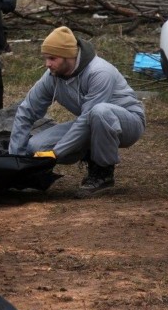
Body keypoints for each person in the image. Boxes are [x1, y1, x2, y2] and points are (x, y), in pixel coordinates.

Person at [9, 27, 146, 198]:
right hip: (90, 121)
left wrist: (56, 153)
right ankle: (91, 152)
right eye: (45, 58)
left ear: (69, 57)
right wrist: (15, 161)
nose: (47, 64)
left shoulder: (99, 72)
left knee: (99, 111)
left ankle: (103, 173)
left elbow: (88, 117)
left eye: (52, 58)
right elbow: (26, 111)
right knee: (35, 147)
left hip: (128, 123)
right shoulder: (52, 76)